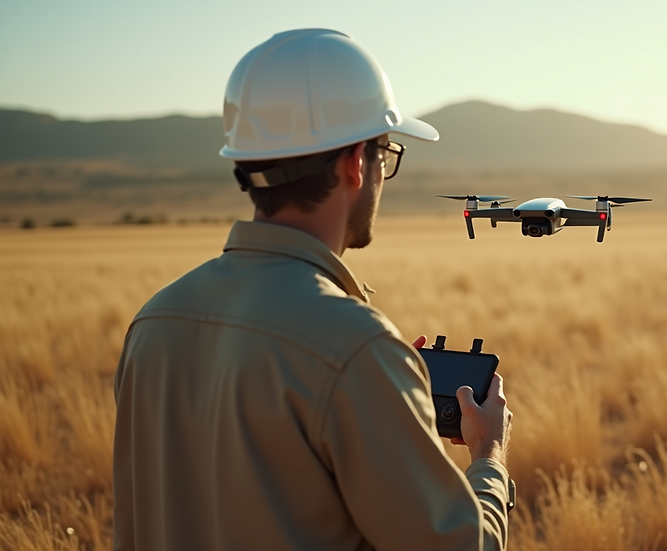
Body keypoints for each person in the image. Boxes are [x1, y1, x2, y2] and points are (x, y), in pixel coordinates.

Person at [113, 29, 514, 551]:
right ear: (355, 162)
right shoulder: (355, 352)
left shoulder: (153, 322)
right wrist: (489, 458)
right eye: (386, 152)